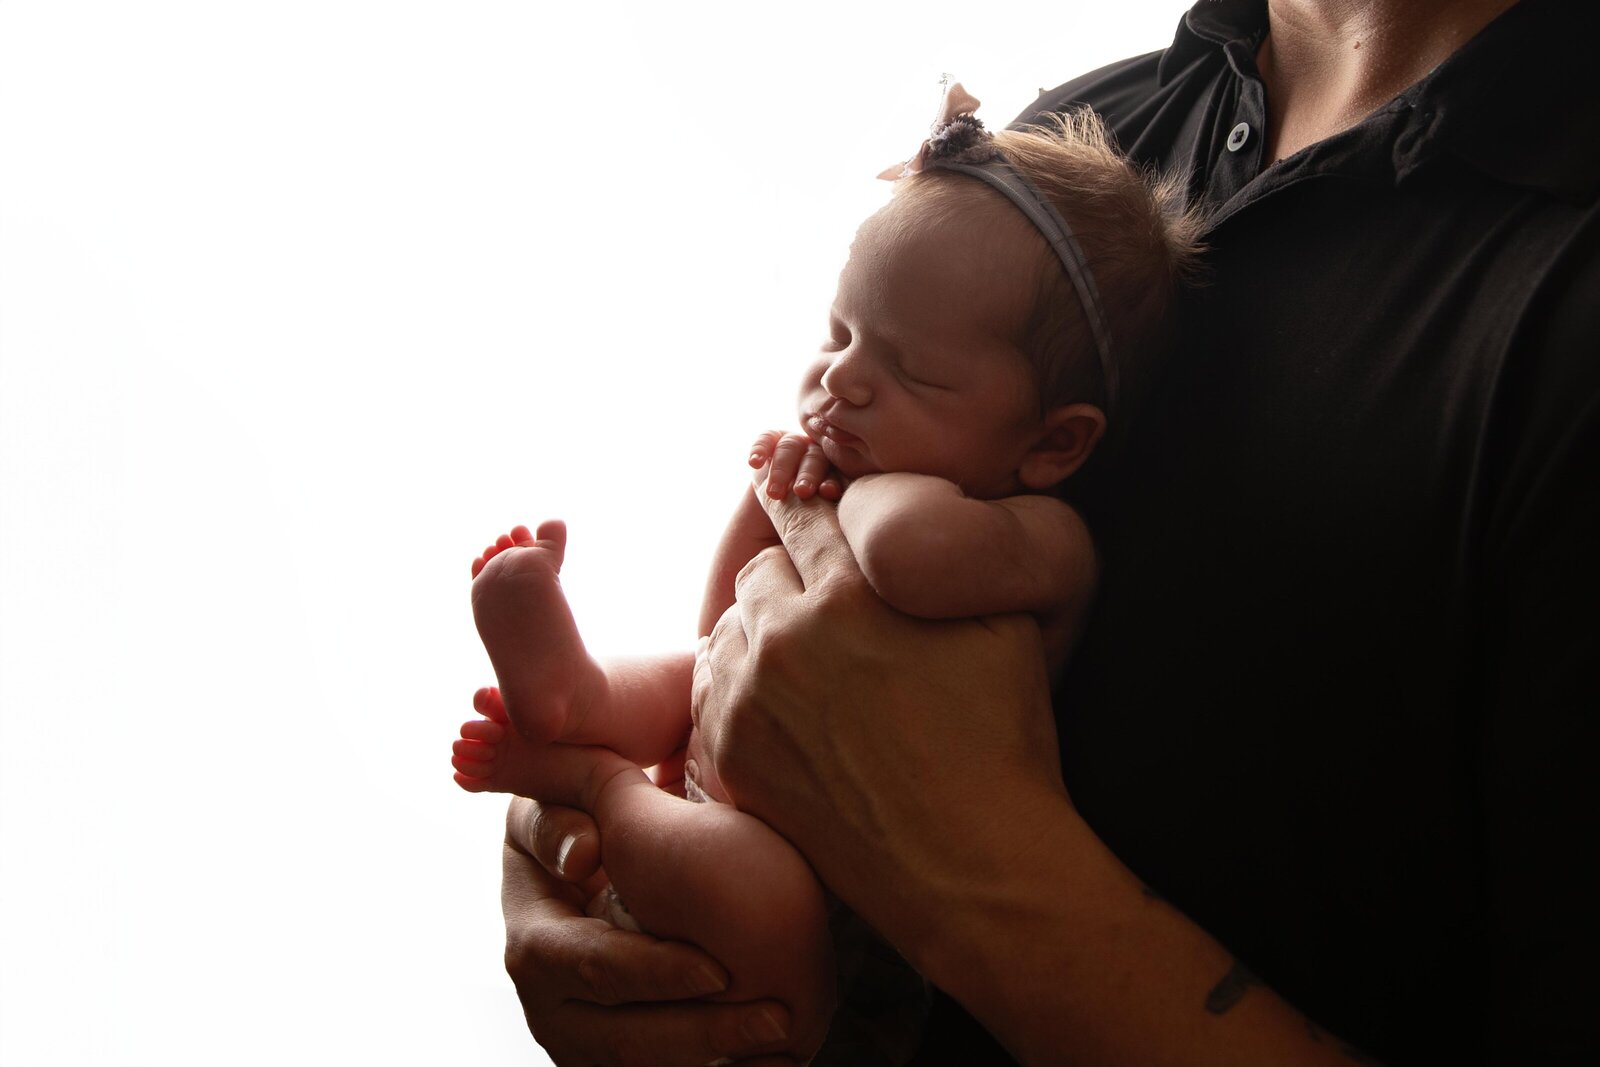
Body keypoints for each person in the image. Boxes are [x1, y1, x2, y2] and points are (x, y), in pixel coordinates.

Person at [494, 0, 1600, 1061]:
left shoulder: (1560, 298)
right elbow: (784, 600)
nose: (842, 373)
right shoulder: (1069, 155)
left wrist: (967, 866)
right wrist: (598, 861)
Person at [454, 90, 1201, 1064]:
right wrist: (783, 493)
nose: (840, 380)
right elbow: (727, 630)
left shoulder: (1044, 540)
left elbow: (901, 556)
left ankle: (594, 778)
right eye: (838, 333)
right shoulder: (852, 465)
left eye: (909, 370)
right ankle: (574, 695)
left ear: (1052, 442)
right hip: (719, 761)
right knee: (685, 675)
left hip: (842, 911)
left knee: (748, 884)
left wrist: (835, 484)